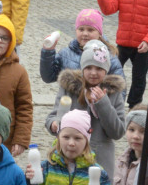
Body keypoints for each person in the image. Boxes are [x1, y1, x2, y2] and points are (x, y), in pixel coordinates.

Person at [45, 43, 127, 176]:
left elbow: (117, 132)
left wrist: (103, 103)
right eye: (88, 67)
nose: (93, 73)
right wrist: (54, 124)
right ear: (82, 67)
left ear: (106, 70)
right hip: (69, 158)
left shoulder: (113, 92)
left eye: (99, 68)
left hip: (99, 162)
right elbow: (53, 117)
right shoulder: (69, 88)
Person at [0, 15, 33, 155]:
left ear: (11, 42)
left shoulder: (19, 71)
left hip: (4, 139)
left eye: (5, 38)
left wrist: (21, 139)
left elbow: (25, 108)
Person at [39, 7, 124, 84]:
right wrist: (48, 51)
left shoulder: (108, 56)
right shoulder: (65, 54)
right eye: (81, 29)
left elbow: (119, 88)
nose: (85, 33)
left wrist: (106, 100)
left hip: (98, 100)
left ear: (99, 33)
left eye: (90, 30)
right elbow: (48, 77)